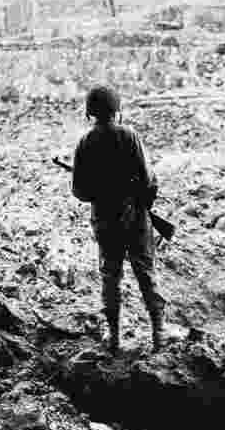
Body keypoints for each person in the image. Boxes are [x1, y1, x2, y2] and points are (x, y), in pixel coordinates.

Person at [71, 85, 166, 354]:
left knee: (110, 277)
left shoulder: (85, 142)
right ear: (117, 110)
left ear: (91, 112)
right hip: (135, 217)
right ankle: (159, 336)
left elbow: (79, 190)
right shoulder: (130, 135)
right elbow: (148, 180)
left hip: (105, 220)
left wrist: (102, 193)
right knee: (146, 273)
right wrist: (144, 204)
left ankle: (113, 340)